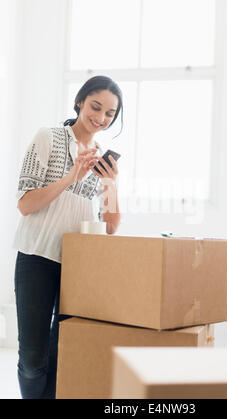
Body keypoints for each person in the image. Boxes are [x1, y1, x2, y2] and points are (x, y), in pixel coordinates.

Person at [13, 75, 123, 399]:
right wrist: (72, 175)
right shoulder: (48, 138)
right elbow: (25, 203)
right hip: (36, 259)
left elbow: (112, 226)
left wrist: (112, 184)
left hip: (78, 267)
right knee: (33, 359)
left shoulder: (102, 159)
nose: (101, 118)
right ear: (80, 102)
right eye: (96, 107)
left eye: (110, 114)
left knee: (63, 354)